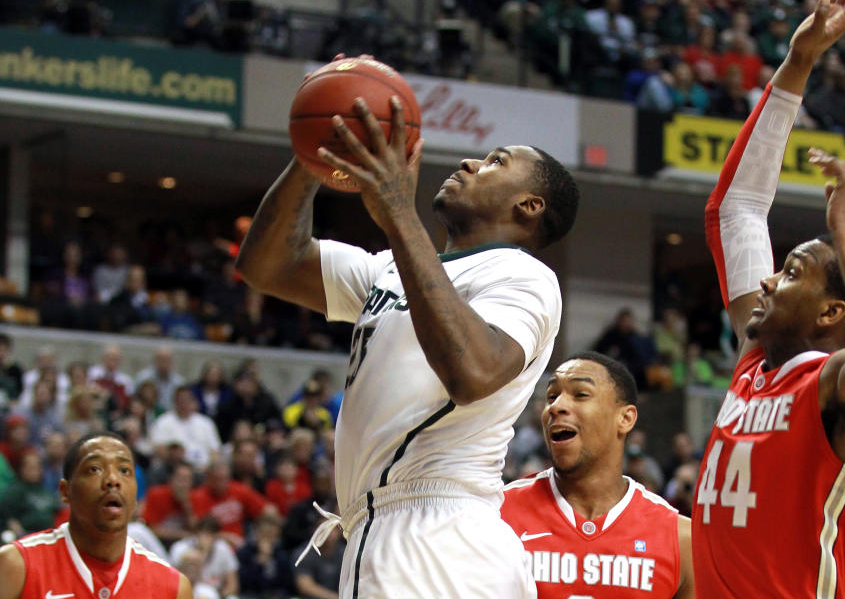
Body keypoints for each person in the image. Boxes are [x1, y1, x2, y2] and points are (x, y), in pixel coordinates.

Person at [236, 55, 579, 597]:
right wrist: (318, 149)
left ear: (529, 205)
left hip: (431, 535)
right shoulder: (393, 267)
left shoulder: (523, 275)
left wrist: (399, 211)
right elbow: (266, 265)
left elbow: (473, 372)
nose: (469, 163)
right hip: (413, 536)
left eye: (495, 161)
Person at [694, 0, 845, 598]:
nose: (768, 282)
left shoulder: (835, 381)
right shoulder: (753, 363)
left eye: (792, 272)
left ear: (831, 312)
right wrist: (798, 62)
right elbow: (736, 209)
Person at [501, 352, 694, 597]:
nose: (556, 406)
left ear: (625, 418)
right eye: (551, 396)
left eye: (580, 394)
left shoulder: (680, 539)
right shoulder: (497, 514)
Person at [0, 431, 191, 599]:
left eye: (124, 470)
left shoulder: (172, 588)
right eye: (95, 469)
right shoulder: (16, 565)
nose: (113, 480)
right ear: (65, 491)